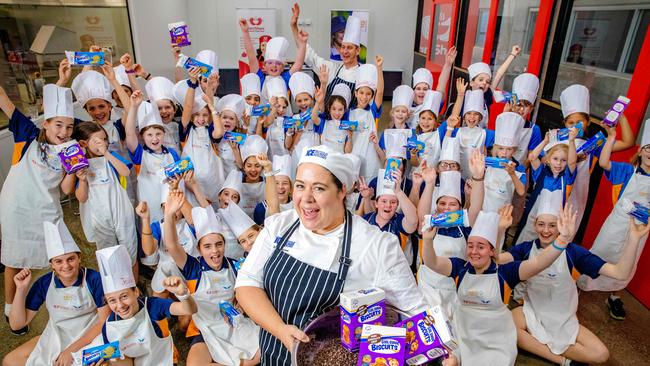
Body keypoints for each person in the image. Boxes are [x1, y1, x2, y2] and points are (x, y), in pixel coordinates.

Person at [235, 145, 430, 366]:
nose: (306, 198)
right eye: (300, 186)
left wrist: (442, 350)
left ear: (342, 191)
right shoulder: (279, 225)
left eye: (318, 188)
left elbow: (414, 313)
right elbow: (247, 283)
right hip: (273, 355)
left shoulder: (375, 245)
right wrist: (280, 330)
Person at [503, 189, 650, 365]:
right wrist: (500, 230)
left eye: (552, 225)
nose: (546, 230)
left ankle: (537, 342)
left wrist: (634, 238)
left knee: (601, 354)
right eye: (541, 224)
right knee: (507, 328)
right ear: (534, 225)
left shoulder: (574, 252)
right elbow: (496, 259)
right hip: (532, 311)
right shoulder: (525, 249)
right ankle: (563, 361)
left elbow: (620, 273)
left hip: (563, 319)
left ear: (561, 225)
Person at [422, 203, 578, 365]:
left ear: (491, 251)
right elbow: (432, 262)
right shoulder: (460, 268)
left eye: (480, 247)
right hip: (463, 331)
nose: (474, 251)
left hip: (495, 339)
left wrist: (562, 240)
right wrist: (427, 240)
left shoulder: (505, 273)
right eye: (470, 246)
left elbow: (538, 262)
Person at [0, 83, 76, 334]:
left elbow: (65, 190)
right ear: (46, 123)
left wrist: (77, 173)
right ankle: (11, 308)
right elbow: (3, 98)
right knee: (14, 258)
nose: (64, 132)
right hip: (17, 207)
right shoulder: (27, 134)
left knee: (50, 257)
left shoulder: (71, 150)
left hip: (47, 210)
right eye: (58, 125)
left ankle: (45, 305)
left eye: (69, 127)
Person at [163, 193, 261, 366]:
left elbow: (249, 292)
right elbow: (172, 245)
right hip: (205, 328)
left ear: (225, 245)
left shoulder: (235, 265)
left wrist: (240, 303)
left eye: (219, 244)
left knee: (262, 351)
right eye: (207, 246)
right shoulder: (193, 267)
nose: (214, 251)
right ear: (199, 249)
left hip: (235, 325)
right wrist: (169, 215)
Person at [3, 222, 109, 366]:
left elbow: (103, 321)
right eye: (58, 261)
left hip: (90, 333)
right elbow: (16, 325)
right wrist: (20, 289)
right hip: (57, 334)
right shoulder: (44, 283)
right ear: (51, 264)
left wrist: (70, 351)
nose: (66, 266)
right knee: (10, 361)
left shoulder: (94, 279)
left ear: (79, 258)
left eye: (71, 259)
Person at [577, 122, 650, 319]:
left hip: (640, 230)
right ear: (641, 151)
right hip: (617, 225)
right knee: (602, 252)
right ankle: (580, 287)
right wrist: (610, 138)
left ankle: (614, 296)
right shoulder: (627, 171)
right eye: (648, 148)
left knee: (628, 261)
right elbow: (603, 163)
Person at [95, 245, 198, 365]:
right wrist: (113, 361)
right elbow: (125, 362)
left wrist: (183, 294)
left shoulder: (153, 306)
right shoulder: (109, 327)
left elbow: (190, 309)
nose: (120, 305)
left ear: (136, 292)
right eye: (112, 300)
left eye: (124, 296)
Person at [416, 151, 485, 317]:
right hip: (427, 285)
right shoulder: (431, 225)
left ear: (460, 209)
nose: (446, 208)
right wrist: (430, 183)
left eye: (452, 204)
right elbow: (421, 216)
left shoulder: (465, 226)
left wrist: (478, 178)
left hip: (452, 286)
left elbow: (475, 207)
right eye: (442, 203)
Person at [72, 121, 137, 267]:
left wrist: (106, 153)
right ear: (83, 144)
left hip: (121, 211)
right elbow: (82, 198)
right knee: (108, 255)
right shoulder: (80, 164)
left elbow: (125, 171)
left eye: (104, 139)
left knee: (130, 251)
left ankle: (133, 286)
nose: (103, 144)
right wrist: (82, 180)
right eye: (97, 141)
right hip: (99, 217)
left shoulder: (111, 155)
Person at [125, 90, 181, 222]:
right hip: (149, 212)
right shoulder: (140, 155)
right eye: (149, 135)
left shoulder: (172, 154)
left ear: (164, 134)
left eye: (158, 134)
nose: (154, 138)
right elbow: (129, 134)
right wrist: (133, 107)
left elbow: (179, 181)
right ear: (142, 137)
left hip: (171, 208)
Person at [291, 3, 360, 103]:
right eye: (343, 47)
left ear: (357, 50)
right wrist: (294, 27)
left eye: (349, 48)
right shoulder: (333, 68)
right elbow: (309, 56)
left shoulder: (362, 74)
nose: (345, 51)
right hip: (327, 118)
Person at [177, 67, 226, 205]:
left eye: (205, 115)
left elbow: (219, 132)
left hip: (213, 185)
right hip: (192, 185)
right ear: (191, 117)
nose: (201, 118)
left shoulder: (210, 130)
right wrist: (193, 83)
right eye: (197, 115)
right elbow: (187, 107)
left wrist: (212, 108)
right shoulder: (186, 131)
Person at [482, 112, 526, 213]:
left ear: (514, 150)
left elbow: (521, 191)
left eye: (509, 149)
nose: (504, 153)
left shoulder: (518, 168)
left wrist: (512, 174)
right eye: (501, 148)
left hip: (502, 213)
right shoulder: (488, 163)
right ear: (495, 148)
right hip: (483, 209)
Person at [349, 57, 384, 182]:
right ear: (356, 93)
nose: (364, 97)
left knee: (369, 185)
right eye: (361, 92)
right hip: (353, 153)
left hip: (370, 156)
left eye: (368, 94)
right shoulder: (348, 113)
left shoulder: (372, 111)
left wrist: (379, 68)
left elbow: (379, 92)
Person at [255, 154, 294, 224]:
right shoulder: (261, 209)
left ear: (291, 187)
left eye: (285, 183)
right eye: (276, 183)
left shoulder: (297, 205)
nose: (280, 187)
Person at [146, 76, 182, 151]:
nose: (164, 111)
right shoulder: (149, 130)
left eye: (167, 107)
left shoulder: (179, 127)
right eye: (159, 108)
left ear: (174, 109)